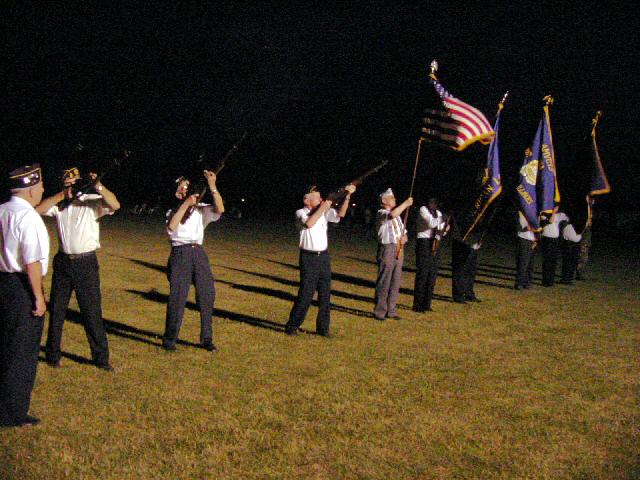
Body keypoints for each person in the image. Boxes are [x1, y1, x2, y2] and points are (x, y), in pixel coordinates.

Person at [36, 166, 120, 371]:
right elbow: (37, 210)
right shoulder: (60, 205)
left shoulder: (91, 202)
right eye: (67, 184)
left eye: (73, 184)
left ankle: (101, 358)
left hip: (86, 263)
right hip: (63, 261)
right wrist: (61, 195)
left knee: (91, 312)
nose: (71, 188)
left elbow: (115, 204)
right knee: (57, 311)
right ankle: (52, 355)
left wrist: (98, 186)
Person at [0, 164, 49, 427]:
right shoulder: (28, 217)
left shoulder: (2, 210)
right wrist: (38, 296)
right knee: (22, 351)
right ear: (31, 190)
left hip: (3, 283)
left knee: (5, 345)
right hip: (21, 286)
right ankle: (13, 412)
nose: (42, 190)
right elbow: (32, 261)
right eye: (40, 186)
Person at [162, 170, 224, 351]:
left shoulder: (200, 209)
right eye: (182, 187)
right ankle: (170, 340)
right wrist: (186, 204)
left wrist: (212, 186)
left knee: (207, 295)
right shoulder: (172, 210)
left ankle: (207, 339)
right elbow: (171, 227)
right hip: (180, 252)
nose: (185, 189)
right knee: (178, 297)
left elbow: (220, 209)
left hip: (198, 252)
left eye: (187, 186)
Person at [285, 184, 356, 337]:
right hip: (309, 257)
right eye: (317, 198)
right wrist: (325, 206)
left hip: (323, 256)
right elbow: (309, 223)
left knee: (325, 294)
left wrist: (347, 196)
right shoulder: (301, 212)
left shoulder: (323, 211)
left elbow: (341, 214)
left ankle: (323, 328)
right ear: (307, 200)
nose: (321, 199)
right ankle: (292, 325)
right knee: (306, 293)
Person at [373, 188, 412, 320]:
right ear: (384, 201)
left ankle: (391, 310)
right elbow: (391, 215)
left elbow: (403, 232)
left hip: (398, 248)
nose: (395, 199)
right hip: (387, 248)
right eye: (392, 198)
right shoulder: (381, 213)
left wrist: (404, 238)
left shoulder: (398, 215)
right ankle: (380, 311)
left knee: (395, 280)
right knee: (384, 280)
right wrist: (406, 204)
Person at [413, 198, 447, 311]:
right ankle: (418, 304)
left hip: (435, 243)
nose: (433, 204)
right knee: (422, 274)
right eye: (432, 202)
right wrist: (444, 218)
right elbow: (431, 223)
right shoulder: (423, 210)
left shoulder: (438, 213)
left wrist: (445, 229)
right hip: (424, 242)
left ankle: (427, 303)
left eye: (435, 203)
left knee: (432, 274)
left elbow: (441, 229)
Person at [451, 238, 482, 303]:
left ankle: (469, 293)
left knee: (470, 271)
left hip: (473, 244)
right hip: (461, 243)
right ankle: (458, 295)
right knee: (459, 270)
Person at [558, 212, 582, 285]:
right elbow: (574, 238)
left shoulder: (573, 226)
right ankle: (565, 279)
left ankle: (569, 278)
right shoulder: (568, 226)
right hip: (569, 246)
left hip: (573, 246)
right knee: (567, 263)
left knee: (572, 263)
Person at [515, 211, 536, 290]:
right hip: (523, 238)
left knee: (530, 263)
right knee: (523, 262)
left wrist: (536, 239)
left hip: (532, 239)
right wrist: (527, 228)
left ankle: (527, 282)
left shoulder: (533, 214)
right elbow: (518, 227)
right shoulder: (520, 214)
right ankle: (519, 283)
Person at [540, 206, 561, 287]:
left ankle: (551, 280)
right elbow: (550, 221)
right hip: (547, 239)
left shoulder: (558, 215)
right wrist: (553, 212)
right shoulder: (543, 214)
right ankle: (545, 281)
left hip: (555, 239)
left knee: (553, 261)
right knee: (547, 261)